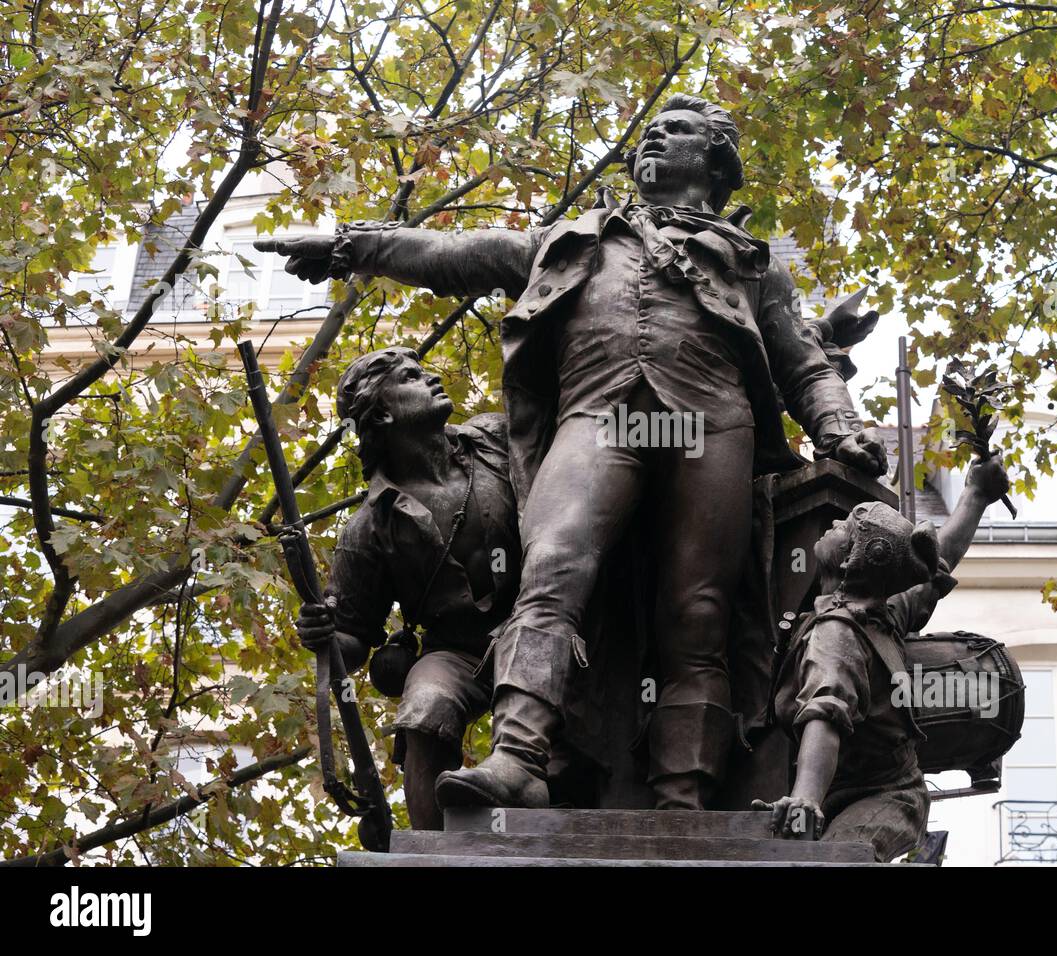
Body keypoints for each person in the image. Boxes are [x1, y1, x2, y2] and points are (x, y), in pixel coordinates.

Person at [259, 94, 886, 811]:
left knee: (699, 613)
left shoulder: (752, 267)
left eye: (675, 131)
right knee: (553, 563)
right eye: (648, 131)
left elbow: (802, 363)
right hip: (599, 417)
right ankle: (520, 755)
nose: (652, 138)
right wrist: (350, 247)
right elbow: (453, 254)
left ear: (715, 159)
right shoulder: (571, 240)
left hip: (713, 427)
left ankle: (683, 800)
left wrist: (840, 428)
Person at [293, 347, 519, 829]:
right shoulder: (369, 526)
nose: (433, 377)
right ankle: (434, 849)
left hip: (537, 619)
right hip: (455, 651)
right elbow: (351, 640)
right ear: (384, 411)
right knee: (424, 706)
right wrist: (323, 635)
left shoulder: (495, 441)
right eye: (412, 377)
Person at [759, 454, 1010, 859]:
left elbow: (827, 713)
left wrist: (804, 799)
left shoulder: (836, 635)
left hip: (886, 799)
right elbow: (938, 561)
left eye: (847, 527)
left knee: (839, 859)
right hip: (861, 793)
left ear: (855, 558)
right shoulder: (884, 610)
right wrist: (976, 494)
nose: (835, 524)